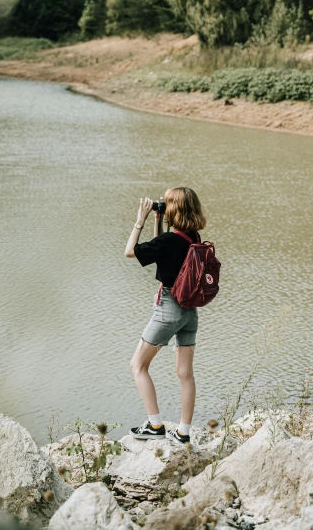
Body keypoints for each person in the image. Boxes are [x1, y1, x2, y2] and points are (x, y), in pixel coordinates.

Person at [124, 187, 206, 444]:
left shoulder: (169, 241)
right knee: (185, 374)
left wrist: (141, 220)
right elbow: (164, 249)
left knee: (138, 366)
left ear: (174, 209)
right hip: (189, 312)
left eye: (166, 204)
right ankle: (183, 432)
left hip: (169, 308)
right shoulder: (193, 236)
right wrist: (159, 222)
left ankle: (156, 424)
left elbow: (130, 251)